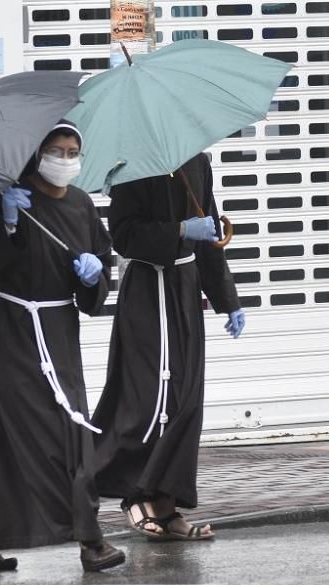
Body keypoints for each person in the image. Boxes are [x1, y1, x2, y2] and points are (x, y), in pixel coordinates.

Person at [0, 122, 125, 572]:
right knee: (41, 430)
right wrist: (5, 224)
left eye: (72, 151)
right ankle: (90, 539)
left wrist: (94, 278)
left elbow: (97, 281)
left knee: (57, 427)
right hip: (11, 327)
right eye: (55, 150)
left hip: (58, 327)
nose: (65, 159)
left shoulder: (83, 205)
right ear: (37, 153)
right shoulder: (9, 196)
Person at [91, 152, 246, 541]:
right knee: (148, 398)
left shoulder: (197, 162)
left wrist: (228, 300)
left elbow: (209, 233)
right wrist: (178, 231)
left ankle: (166, 501)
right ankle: (134, 493)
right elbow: (124, 236)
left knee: (185, 398)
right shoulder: (131, 167)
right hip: (149, 292)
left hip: (184, 287)